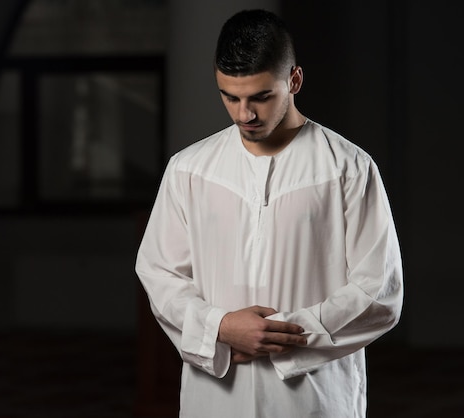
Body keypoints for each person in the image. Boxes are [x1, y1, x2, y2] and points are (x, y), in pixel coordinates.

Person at [135, 9, 403, 417]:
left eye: (261, 97)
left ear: (293, 80)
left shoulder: (347, 168)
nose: (245, 114)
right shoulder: (189, 169)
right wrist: (221, 328)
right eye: (230, 97)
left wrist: (281, 336)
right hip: (216, 397)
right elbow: (159, 272)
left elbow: (379, 291)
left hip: (314, 398)